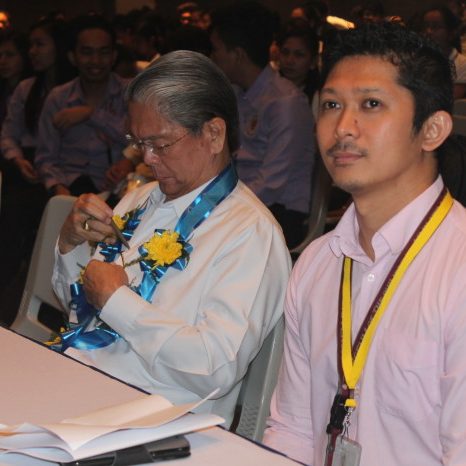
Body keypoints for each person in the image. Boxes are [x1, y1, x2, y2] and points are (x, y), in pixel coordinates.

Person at [50, 50, 291, 426]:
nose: (147, 159)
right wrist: (70, 247)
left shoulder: (251, 234)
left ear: (213, 134)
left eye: (160, 145)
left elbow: (215, 369)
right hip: (81, 382)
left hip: (157, 421)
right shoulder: (141, 199)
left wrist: (118, 302)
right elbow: (79, 310)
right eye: (139, 143)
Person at [263, 23, 466, 465]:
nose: (342, 127)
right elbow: (293, 430)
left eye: (371, 104)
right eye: (331, 104)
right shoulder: (317, 261)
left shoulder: (458, 267)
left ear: (432, 130)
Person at [209, 1, 316, 249]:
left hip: (279, 211)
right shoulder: (238, 93)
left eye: (216, 50)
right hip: (245, 201)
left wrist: (217, 206)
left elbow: (271, 183)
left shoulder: (286, 102)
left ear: (237, 54)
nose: (212, 57)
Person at [34, 14, 133, 198]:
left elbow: (138, 140)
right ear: (73, 57)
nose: (95, 61)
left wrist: (92, 114)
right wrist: (57, 186)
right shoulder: (58, 98)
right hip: (69, 188)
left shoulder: (131, 94)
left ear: (114, 56)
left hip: (118, 190)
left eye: (104, 52)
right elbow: (46, 158)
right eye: (87, 53)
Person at [422, 5, 466, 99]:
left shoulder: (462, 64)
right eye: (426, 26)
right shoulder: (419, 60)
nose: (428, 31)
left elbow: (450, 98)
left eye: (436, 27)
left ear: (451, 33)